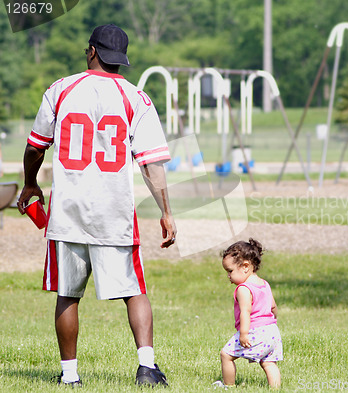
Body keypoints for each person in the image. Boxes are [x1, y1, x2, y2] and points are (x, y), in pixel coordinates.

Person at [17, 24, 176, 387]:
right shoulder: (136, 98)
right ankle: (147, 368)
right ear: (122, 58)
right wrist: (166, 212)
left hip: (68, 211)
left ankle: (70, 376)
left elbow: (35, 146)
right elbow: (151, 163)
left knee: (67, 294)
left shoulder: (60, 89)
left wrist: (30, 183)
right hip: (114, 210)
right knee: (134, 288)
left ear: (91, 51)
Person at [214, 238, 283, 389]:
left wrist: (244, 333)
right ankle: (276, 389)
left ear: (245, 266)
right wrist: (273, 321)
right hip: (272, 331)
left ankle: (229, 386)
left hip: (254, 330)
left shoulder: (244, 289)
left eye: (230, 271)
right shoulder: (265, 284)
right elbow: (273, 307)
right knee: (269, 362)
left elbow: (245, 312)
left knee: (226, 355)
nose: (228, 276)